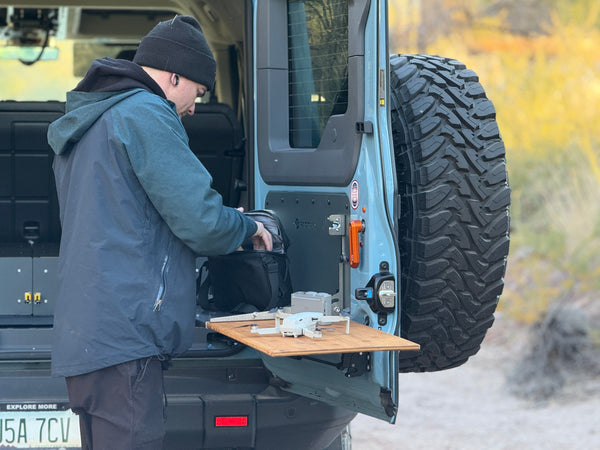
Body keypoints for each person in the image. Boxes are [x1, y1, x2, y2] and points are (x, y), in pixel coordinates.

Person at [47, 15, 272, 449]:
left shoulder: (93, 119)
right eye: (197, 93)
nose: (193, 108)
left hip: (88, 339)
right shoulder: (146, 113)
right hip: (126, 340)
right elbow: (202, 222)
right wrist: (247, 227)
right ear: (173, 76)